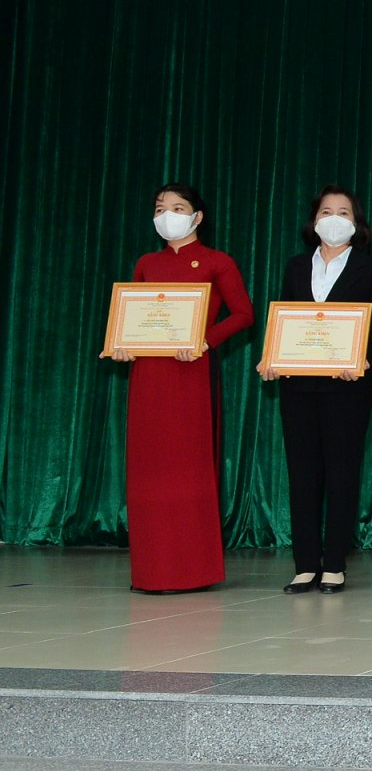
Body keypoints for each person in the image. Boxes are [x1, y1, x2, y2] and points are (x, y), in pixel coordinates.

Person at [113, 182, 254, 593]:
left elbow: (243, 314)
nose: (166, 215)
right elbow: (134, 317)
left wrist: (205, 341)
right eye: (160, 208)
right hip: (148, 377)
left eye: (177, 208)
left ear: (197, 217)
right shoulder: (146, 263)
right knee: (148, 468)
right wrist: (122, 344)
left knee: (187, 467)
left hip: (190, 373)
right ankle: (150, 571)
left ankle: (192, 571)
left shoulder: (217, 261)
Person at [261, 185, 372, 595]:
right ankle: (305, 565)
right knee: (302, 475)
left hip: (347, 389)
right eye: (326, 212)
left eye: (344, 212)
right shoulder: (296, 266)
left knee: (342, 475)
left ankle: (334, 563)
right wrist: (272, 357)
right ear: (314, 220)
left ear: (357, 223)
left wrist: (363, 358)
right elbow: (285, 318)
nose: (334, 219)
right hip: (298, 387)